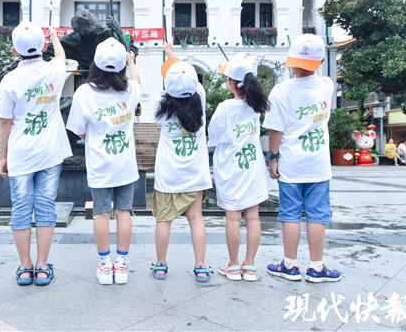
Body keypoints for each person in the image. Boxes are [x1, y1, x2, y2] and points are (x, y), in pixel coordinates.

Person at [0, 22, 72, 286]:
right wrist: (55, 38)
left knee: (21, 207)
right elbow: (61, 57)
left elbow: (5, 121)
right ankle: (42, 266)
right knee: (46, 206)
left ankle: (25, 267)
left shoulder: (10, 79)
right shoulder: (54, 70)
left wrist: (3, 156)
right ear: (43, 46)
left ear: (15, 50)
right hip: (50, 151)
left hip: (21, 153)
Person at [263, 34, 341, 283]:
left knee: (290, 214)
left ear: (291, 61)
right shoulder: (327, 85)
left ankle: (290, 265)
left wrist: (273, 158)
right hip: (318, 164)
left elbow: (275, 129)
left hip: (291, 164)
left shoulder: (281, 91)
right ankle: (317, 267)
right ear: (320, 62)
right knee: (318, 216)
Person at [66, 37, 140, 285]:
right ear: (121, 66)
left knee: (101, 214)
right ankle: (122, 266)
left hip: (99, 164)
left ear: (95, 63)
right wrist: (132, 62)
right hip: (125, 165)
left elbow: (78, 130)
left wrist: (93, 137)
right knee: (124, 212)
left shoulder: (84, 92)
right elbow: (136, 80)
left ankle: (105, 267)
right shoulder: (130, 91)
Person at [151, 43, 213, 282]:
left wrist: (167, 55)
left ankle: (160, 265)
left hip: (169, 174)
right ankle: (201, 266)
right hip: (195, 172)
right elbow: (185, 75)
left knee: (163, 220)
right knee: (196, 218)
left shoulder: (161, 106)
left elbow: (178, 79)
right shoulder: (201, 99)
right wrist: (171, 53)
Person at [208, 54, 270, 282]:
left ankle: (233, 266)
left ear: (231, 82)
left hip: (231, 169)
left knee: (233, 219)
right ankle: (250, 266)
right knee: (253, 218)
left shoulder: (225, 108)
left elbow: (213, 137)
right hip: (252, 168)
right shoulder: (255, 106)